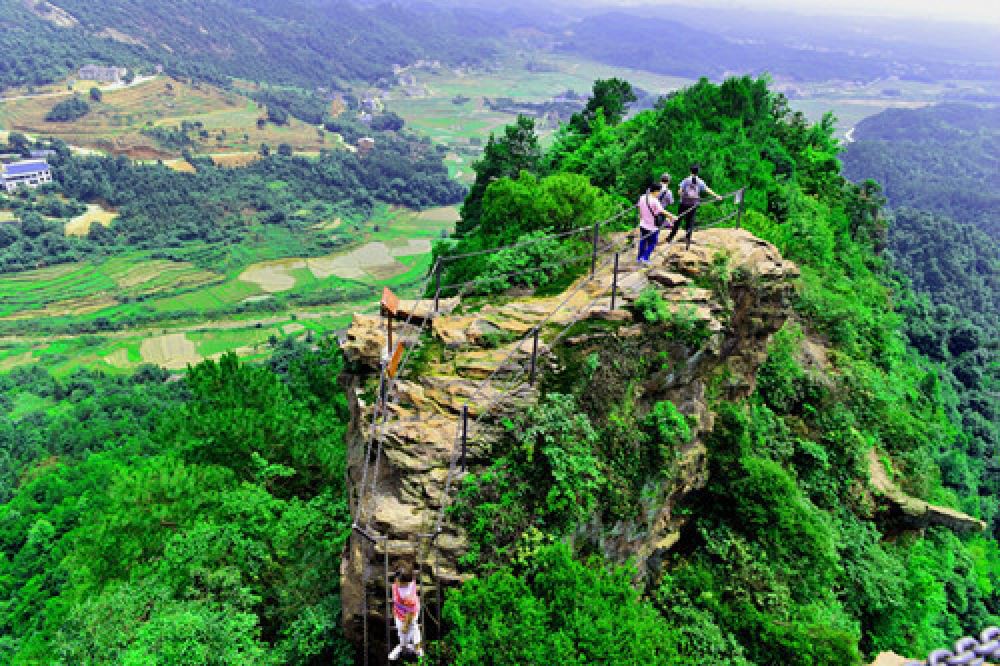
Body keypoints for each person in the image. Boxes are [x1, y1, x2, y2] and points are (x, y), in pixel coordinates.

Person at [666, 164, 722, 249]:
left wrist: (682, 194)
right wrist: (716, 196)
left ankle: (670, 237)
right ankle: (688, 241)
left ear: (690, 171)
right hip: (693, 204)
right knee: (690, 222)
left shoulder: (686, 180)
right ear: (697, 172)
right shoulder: (700, 181)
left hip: (684, 203)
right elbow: (707, 189)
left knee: (678, 220)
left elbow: (679, 192)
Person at [388, 562, 423, 661]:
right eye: (397, 579)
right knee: (403, 631)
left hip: (409, 614)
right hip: (400, 611)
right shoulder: (404, 579)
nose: (397, 582)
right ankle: (404, 646)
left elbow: (410, 612)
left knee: (409, 629)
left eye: (400, 582)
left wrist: (406, 624)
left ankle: (414, 648)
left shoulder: (407, 595)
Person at [635, 182, 676, 264]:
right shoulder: (655, 201)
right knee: (652, 242)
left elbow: (639, 207)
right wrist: (672, 217)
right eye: (659, 191)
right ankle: (645, 258)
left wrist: (641, 216)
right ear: (656, 191)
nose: (659, 193)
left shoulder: (643, 197)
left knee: (643, 241)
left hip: (643, 224)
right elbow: (662, 211)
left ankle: (639, 258)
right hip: (652, 226)